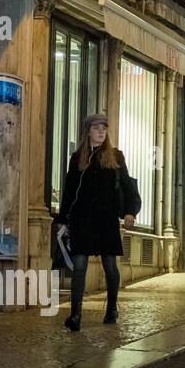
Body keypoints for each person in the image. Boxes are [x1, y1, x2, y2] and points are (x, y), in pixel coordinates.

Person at [59, 114, 138, 331]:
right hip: (82, 218)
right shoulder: (77, 158)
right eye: (96, 128)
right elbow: (69, 190)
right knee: (79, 266)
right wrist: (63, 218)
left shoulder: (115, 156)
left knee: (110, 266)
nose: (101, 131)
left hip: (106, 218)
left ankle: (112, 308)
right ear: (88, 131)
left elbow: (127, 185)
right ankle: (75, 315)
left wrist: (130, 211)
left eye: (104, 128)